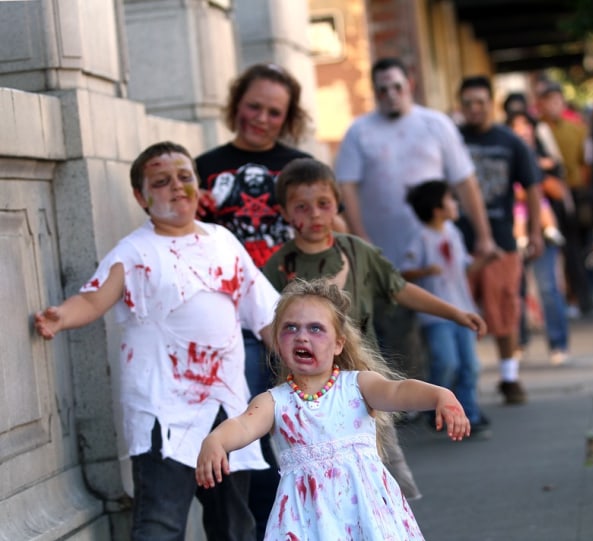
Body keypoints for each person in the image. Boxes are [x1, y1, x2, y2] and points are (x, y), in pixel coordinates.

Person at [33, 141, 280, 541]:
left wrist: (299, 355)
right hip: (162, 414)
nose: (177, 188)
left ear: (199, 186)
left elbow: (266, 314)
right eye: (161, 182)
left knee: (234, 524)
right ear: (140, 196)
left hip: (227, 407)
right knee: (160, 525)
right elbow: (94, 297)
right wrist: (62, 317)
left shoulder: (223, 241)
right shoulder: (135, 252)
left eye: (185, 177)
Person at [261, 157, 487, 499]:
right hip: (309, 393)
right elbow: (265, 322)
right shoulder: (279, 266)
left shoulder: (357, 251)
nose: (315, 215)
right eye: (302, 207)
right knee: (328, 480)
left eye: (323, 204)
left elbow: (400, 288)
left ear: (337, 203)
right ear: (285, 213)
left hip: (362, 381)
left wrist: (454, 313)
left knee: (385, 468)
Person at [196, 278, 471, 540]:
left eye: (316, 329)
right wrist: (216, 440)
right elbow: (244, 425)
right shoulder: (274, 401)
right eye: (290, 328)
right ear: (278, 343)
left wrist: (439, 395)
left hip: (365, 513)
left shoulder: (357, 386)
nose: (302, 337)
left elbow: (397, 390)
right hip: (306, 520)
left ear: (339, 343)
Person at [194, 63, 311, 535]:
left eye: (273, 112)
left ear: (288, 118)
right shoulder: (202, 168)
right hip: (228, 330)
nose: (260, 118)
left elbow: (325, 231)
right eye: (253, 106)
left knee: (292, 441)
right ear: (236, 103)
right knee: (241, 446)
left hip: (290, 323)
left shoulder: (297, 166)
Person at [334, 56, 496, 382]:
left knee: (448, 333)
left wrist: (484, 234)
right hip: (387, 258)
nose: (391, 94)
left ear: (410, 83)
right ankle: (408, 405)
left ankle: (456, 402)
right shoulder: (359, 132)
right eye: (383, 89)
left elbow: (465, 181)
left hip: (439, 254)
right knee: (397, 338)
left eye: (397, 86)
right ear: (375, 92)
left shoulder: (436, 124)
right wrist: (361, 243)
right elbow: (346, 188)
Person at [457, 75, 544, 404]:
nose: (474, 109)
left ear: (490, 104)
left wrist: (534, 231)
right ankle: (464, 384)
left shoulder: (510, 141)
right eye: (468, 103)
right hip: (458, 241)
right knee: (458, 313)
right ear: (460, 106)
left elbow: (532, 187)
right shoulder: (452, 139)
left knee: (503, 309)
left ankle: (509, 377)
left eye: (480, 102)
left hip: (502, 240)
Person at [402, 180, 491, 435]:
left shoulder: (453, 232)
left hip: (463, 309)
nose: (455, 204)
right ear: (436, 208)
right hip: (436, 316)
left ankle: (469, 413)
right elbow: (403, 272)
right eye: (450, 199)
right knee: (446, 363)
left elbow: (464, 266)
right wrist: (425, 270)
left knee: (470, 365)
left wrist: (486, 261)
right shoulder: (420, 237)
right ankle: (433, 407)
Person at [507, 110, 570, 365]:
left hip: (543, 230)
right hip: (515, 229)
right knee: (515, 291)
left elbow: (557, 191)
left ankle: (558, 343)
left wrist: (536, 184)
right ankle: (518, 343)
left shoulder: (545, 160)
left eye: (526, 127)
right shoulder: (507, 159)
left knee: (548, 288)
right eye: (516, 127)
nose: (522, 132)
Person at [536, 79, 593, 317]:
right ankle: (569, 298)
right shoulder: (537, 131)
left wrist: (584, 194)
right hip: (546, 197)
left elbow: (586, 164)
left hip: (574, 195)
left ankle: (581, 297)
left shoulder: (577, 129)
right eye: (547, 101)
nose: (552, 106)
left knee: (577, 249)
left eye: (556, 100)